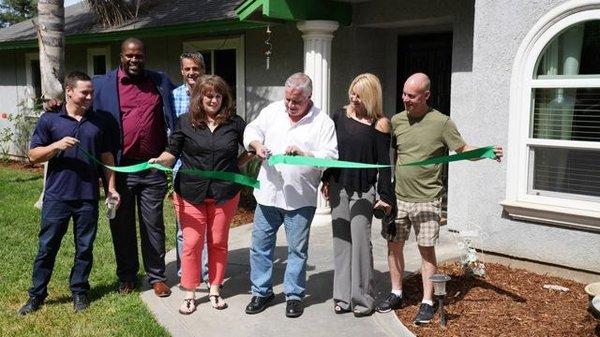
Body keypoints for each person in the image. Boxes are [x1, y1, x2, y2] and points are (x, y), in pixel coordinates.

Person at [376, 73, 503, 324]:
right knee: (394, 247)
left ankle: (426, 301)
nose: (405, 99)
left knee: (426, 251)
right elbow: (385, 151)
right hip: (399, 197)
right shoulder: (398, 121)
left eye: (411, 96)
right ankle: (396, 292)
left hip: (427, 198)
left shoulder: (442, 123)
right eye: (404, 94)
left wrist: (486, 153)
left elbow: (463, 150)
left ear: (426, 95)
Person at [18, 71, 120, 315]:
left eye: (91, 93)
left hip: (87, 197)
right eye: (84, 92)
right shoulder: (50, 120)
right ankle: (37, 295)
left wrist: (112, 188)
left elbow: (106, 157)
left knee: (84, 248)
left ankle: (79, 291)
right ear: (69, 91)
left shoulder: (98, 121)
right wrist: (56, 145)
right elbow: (32, 156)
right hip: (57, 197)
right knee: (47, 247)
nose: (89, 97)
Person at [243, 73, 338, 318]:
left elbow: (331, 156)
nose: (290, 105)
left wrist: (304, 153)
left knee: (297, 250)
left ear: (309, 97)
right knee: (260, 247)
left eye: (296, 101)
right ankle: (262, 292)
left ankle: (294, 295)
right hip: (268, 195)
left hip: (300, 199)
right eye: (287, 99)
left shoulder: (323, 122)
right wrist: (256, 144)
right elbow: (252, 129)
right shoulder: (272, 111)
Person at [150, 75, 245, 314]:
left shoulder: (235, 123)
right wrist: (161, 160)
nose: (213, 100)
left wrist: (238, 165)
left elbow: (252, 146)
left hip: (224, 194)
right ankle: (190, 292)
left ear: (224, 98)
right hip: (190, 192)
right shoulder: (185, 122)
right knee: (192, 243)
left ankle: (214, 289)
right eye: (208, 95)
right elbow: (172, 152)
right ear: (199, 98)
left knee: (218, 242)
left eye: (217, 95)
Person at [93, 37, 176, 297]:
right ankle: (127, 275)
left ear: (144, 56)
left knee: (153, 224)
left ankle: (157, 277)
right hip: (120, 170)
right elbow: (79, 103)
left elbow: (183, 103)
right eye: (129, 55)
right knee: (122, 224)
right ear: (121, 56)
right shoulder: (103, 85)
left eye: (138, 55)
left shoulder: (160, 81)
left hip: (152, 167)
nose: (134, 60)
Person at [321, 73, 394, 317]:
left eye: (359, 95)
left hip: (364, 190)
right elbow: (332, 152)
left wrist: (385, 196)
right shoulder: (339, 116)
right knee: (341, 242)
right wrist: (325, 179)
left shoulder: (380, 124)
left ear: (371, 97)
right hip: (338, 185)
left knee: (361, 243)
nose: (354, 98)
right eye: (352, 92)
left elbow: (384, 164)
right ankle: (342, 297)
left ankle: (363, 299)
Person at [171, 51, 210, 282]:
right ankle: (185, 271)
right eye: (187, 69)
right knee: (183, 227)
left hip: (207, 169)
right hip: (181, 168)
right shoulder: (174, 96)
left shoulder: (213, 95)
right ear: (182, 71)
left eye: (195, 68)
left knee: (205, 226)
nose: (191, 73)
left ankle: (205, 273)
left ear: (202, 70)